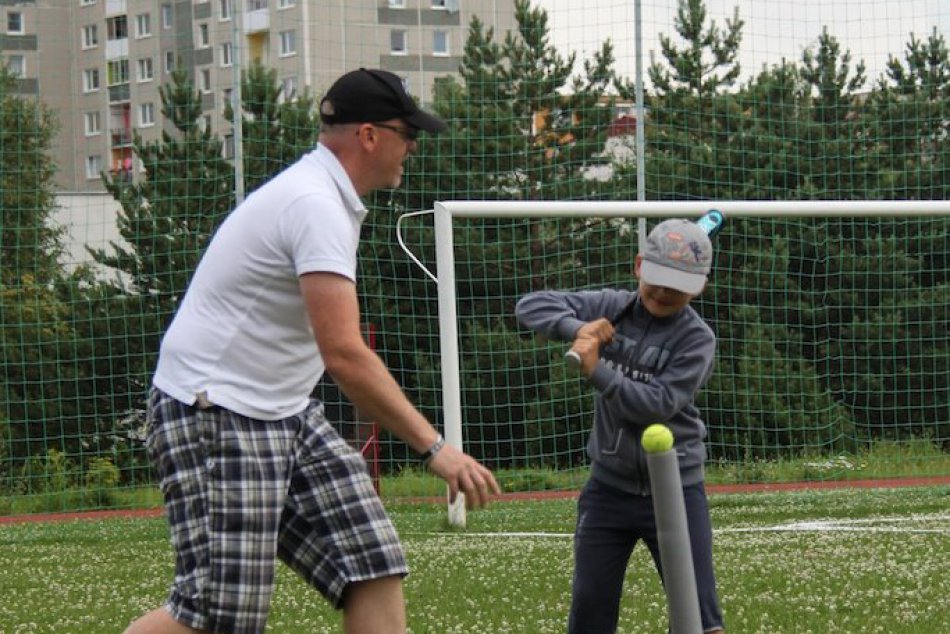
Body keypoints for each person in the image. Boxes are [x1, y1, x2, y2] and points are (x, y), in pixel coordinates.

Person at [124, 68, 501, 634]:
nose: (413, 147)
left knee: (371, 564)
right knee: (215, 616)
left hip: (285, 411)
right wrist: (435, 448)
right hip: (216, 409)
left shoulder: (328, 197)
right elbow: (344, 355)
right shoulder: (314, 203)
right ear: (370, 135)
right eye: (407, 132)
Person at [515, 218, 725, 633]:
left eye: (678, 286)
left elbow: (657, 404)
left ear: (700, 286)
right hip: (607, 490)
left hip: (676, 490)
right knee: (591, 606)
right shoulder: (610, 306)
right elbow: (530, 305)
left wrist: (598, 372)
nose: (664, 293)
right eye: (657, 280)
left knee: (699, 615)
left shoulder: (697, 340)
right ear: (638, 267)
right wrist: (577, 327)